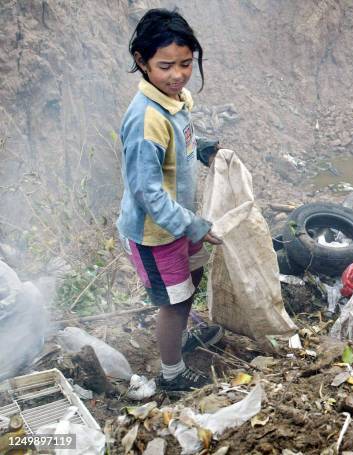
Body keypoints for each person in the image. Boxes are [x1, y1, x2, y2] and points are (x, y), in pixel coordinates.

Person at [117, 8, 224, 391]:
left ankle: (177, 340)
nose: (178, 75)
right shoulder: (146, 118)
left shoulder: (174, 100)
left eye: (186, 63)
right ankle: (171, 373)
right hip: (156, 233)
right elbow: (147, 192)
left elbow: (177, 151)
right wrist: (194, 225)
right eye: (166, 66)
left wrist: (205, 150)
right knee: (174, 301)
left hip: (179, 221)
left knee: (189, 284)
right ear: (141, 62)